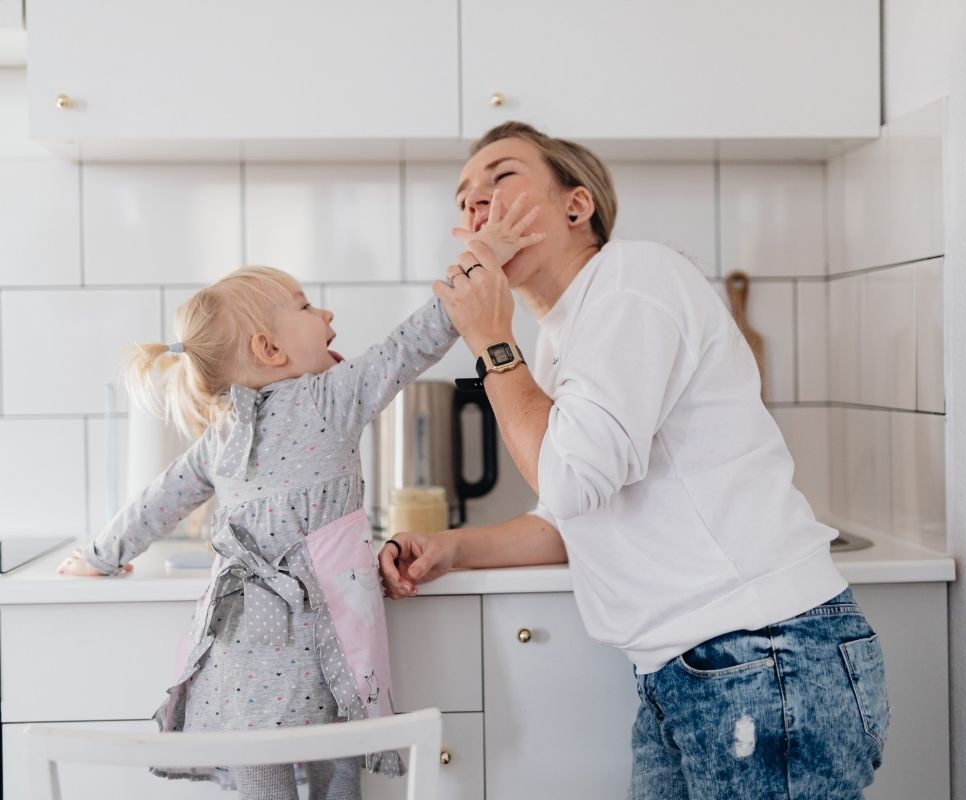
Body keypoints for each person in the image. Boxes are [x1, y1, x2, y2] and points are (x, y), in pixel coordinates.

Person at [378, 122, 891, 800]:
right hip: (688, 671)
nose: (476, 205)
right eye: (464, 199)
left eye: (501, 178)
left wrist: (492, 342)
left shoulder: (633, 280)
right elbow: (569, 514)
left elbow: (568, 477)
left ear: (576, 205)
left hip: (762, 657)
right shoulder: (568, 334)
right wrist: (451, 548)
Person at [52, 255, 541, 798]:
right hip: (329, 642)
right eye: (307, 306)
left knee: (262, 769)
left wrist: (96, 557)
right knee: (338, 769)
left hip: (243, 658)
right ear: (269, 348)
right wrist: (465, 283)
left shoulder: (224, 433)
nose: (327, 314)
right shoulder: (327, 397)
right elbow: (409, 345)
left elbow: (157, 501)